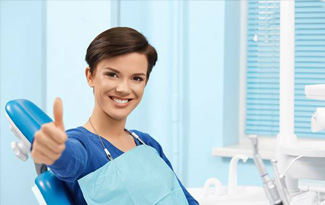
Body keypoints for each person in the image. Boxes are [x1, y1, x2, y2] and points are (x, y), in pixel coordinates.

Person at [31, 27, 199, 205]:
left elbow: (184, 198)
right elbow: (69, 161)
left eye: (136, 78)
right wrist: (55, 151)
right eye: (112, 75)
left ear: (145, 83)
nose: (124, 89)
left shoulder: (146, 143)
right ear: (90, 76)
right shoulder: (81, 145)